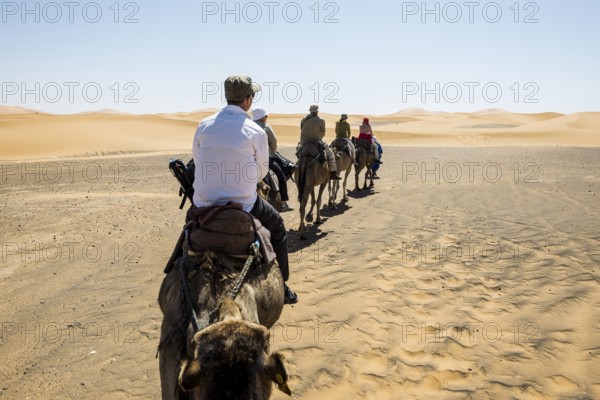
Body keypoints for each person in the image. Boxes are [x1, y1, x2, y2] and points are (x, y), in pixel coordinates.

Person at [192, 75, 298, 304]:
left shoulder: (204, 125)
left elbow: (198, 160)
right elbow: (261, 172)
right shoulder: (256, 131)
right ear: (248, 100)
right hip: (244, 203)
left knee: (189, 228)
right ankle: (284, 285)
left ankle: (175, 264)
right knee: (278, 227)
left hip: (204, 202)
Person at [252, 107, 294, 212]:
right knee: (281, 177)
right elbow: (274, 143)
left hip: (248, 159)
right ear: (262, 117)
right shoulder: (266, 127)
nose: (267, 117)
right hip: (265, 158)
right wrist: (272, 153)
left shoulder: (248, 126)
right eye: (266, 115)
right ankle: (284, 203)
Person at [299, 105, 341, 180]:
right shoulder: (321, 120)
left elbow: (301, 129)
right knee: (330, 153)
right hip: (317, 142)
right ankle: (333, 173)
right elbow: (323, 133)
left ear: (310, 111)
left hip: (304, 142)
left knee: (299, 151)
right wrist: (317, 137)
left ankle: (297, 168)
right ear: (317, 112)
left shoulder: (304, 119)